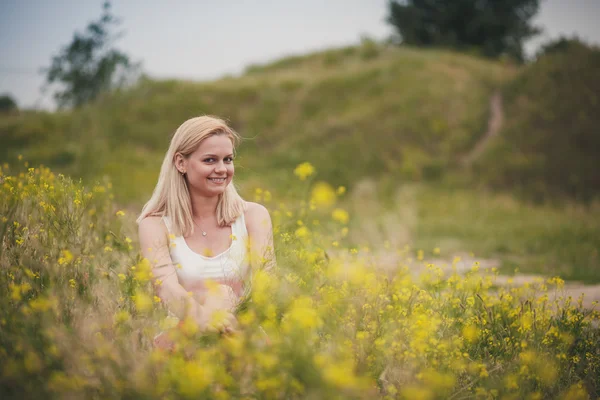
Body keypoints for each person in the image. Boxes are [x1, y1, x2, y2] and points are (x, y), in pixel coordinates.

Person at [137, 116, 274, 346]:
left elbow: (267, 287)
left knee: (222, 294)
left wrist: (231, 321)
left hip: (241, 333)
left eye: (227, 159)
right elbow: (168, 290)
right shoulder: (154, 225)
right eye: (210, 160)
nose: (222, 169)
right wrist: (209, 320)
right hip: (182, 337)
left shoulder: (253, 216)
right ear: (181, 163)